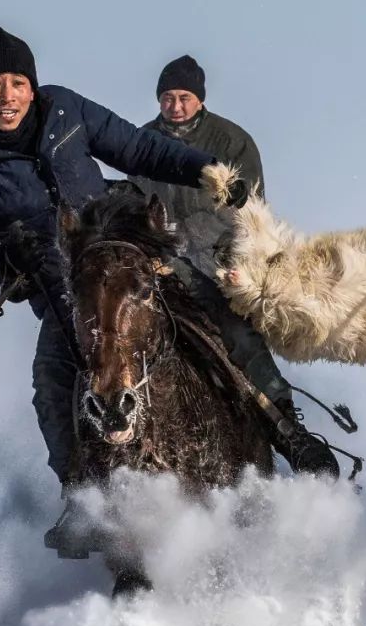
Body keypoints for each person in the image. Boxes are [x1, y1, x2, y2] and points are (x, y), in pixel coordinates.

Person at [0, 26, 333, 559]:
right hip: (66, 292)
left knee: (221, 316)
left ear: (31, 85)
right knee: (51, 379)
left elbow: (140, 148)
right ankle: (80, 499)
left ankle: (288, 430)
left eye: (16, 82)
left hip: (129, 258)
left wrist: (205, 170)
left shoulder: (64, 110)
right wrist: (8, 257)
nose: (6, 96)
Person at [127, 55, 338, 480]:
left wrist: (189, 236)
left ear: (199, 100)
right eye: (167, 98)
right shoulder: (140, 142)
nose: (175, 106)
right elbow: (130, 199)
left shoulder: (232, 142)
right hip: (155, 263)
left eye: (184, 98)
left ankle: (287, 428)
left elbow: (248, 209)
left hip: (218, 262)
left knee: (238, 333)